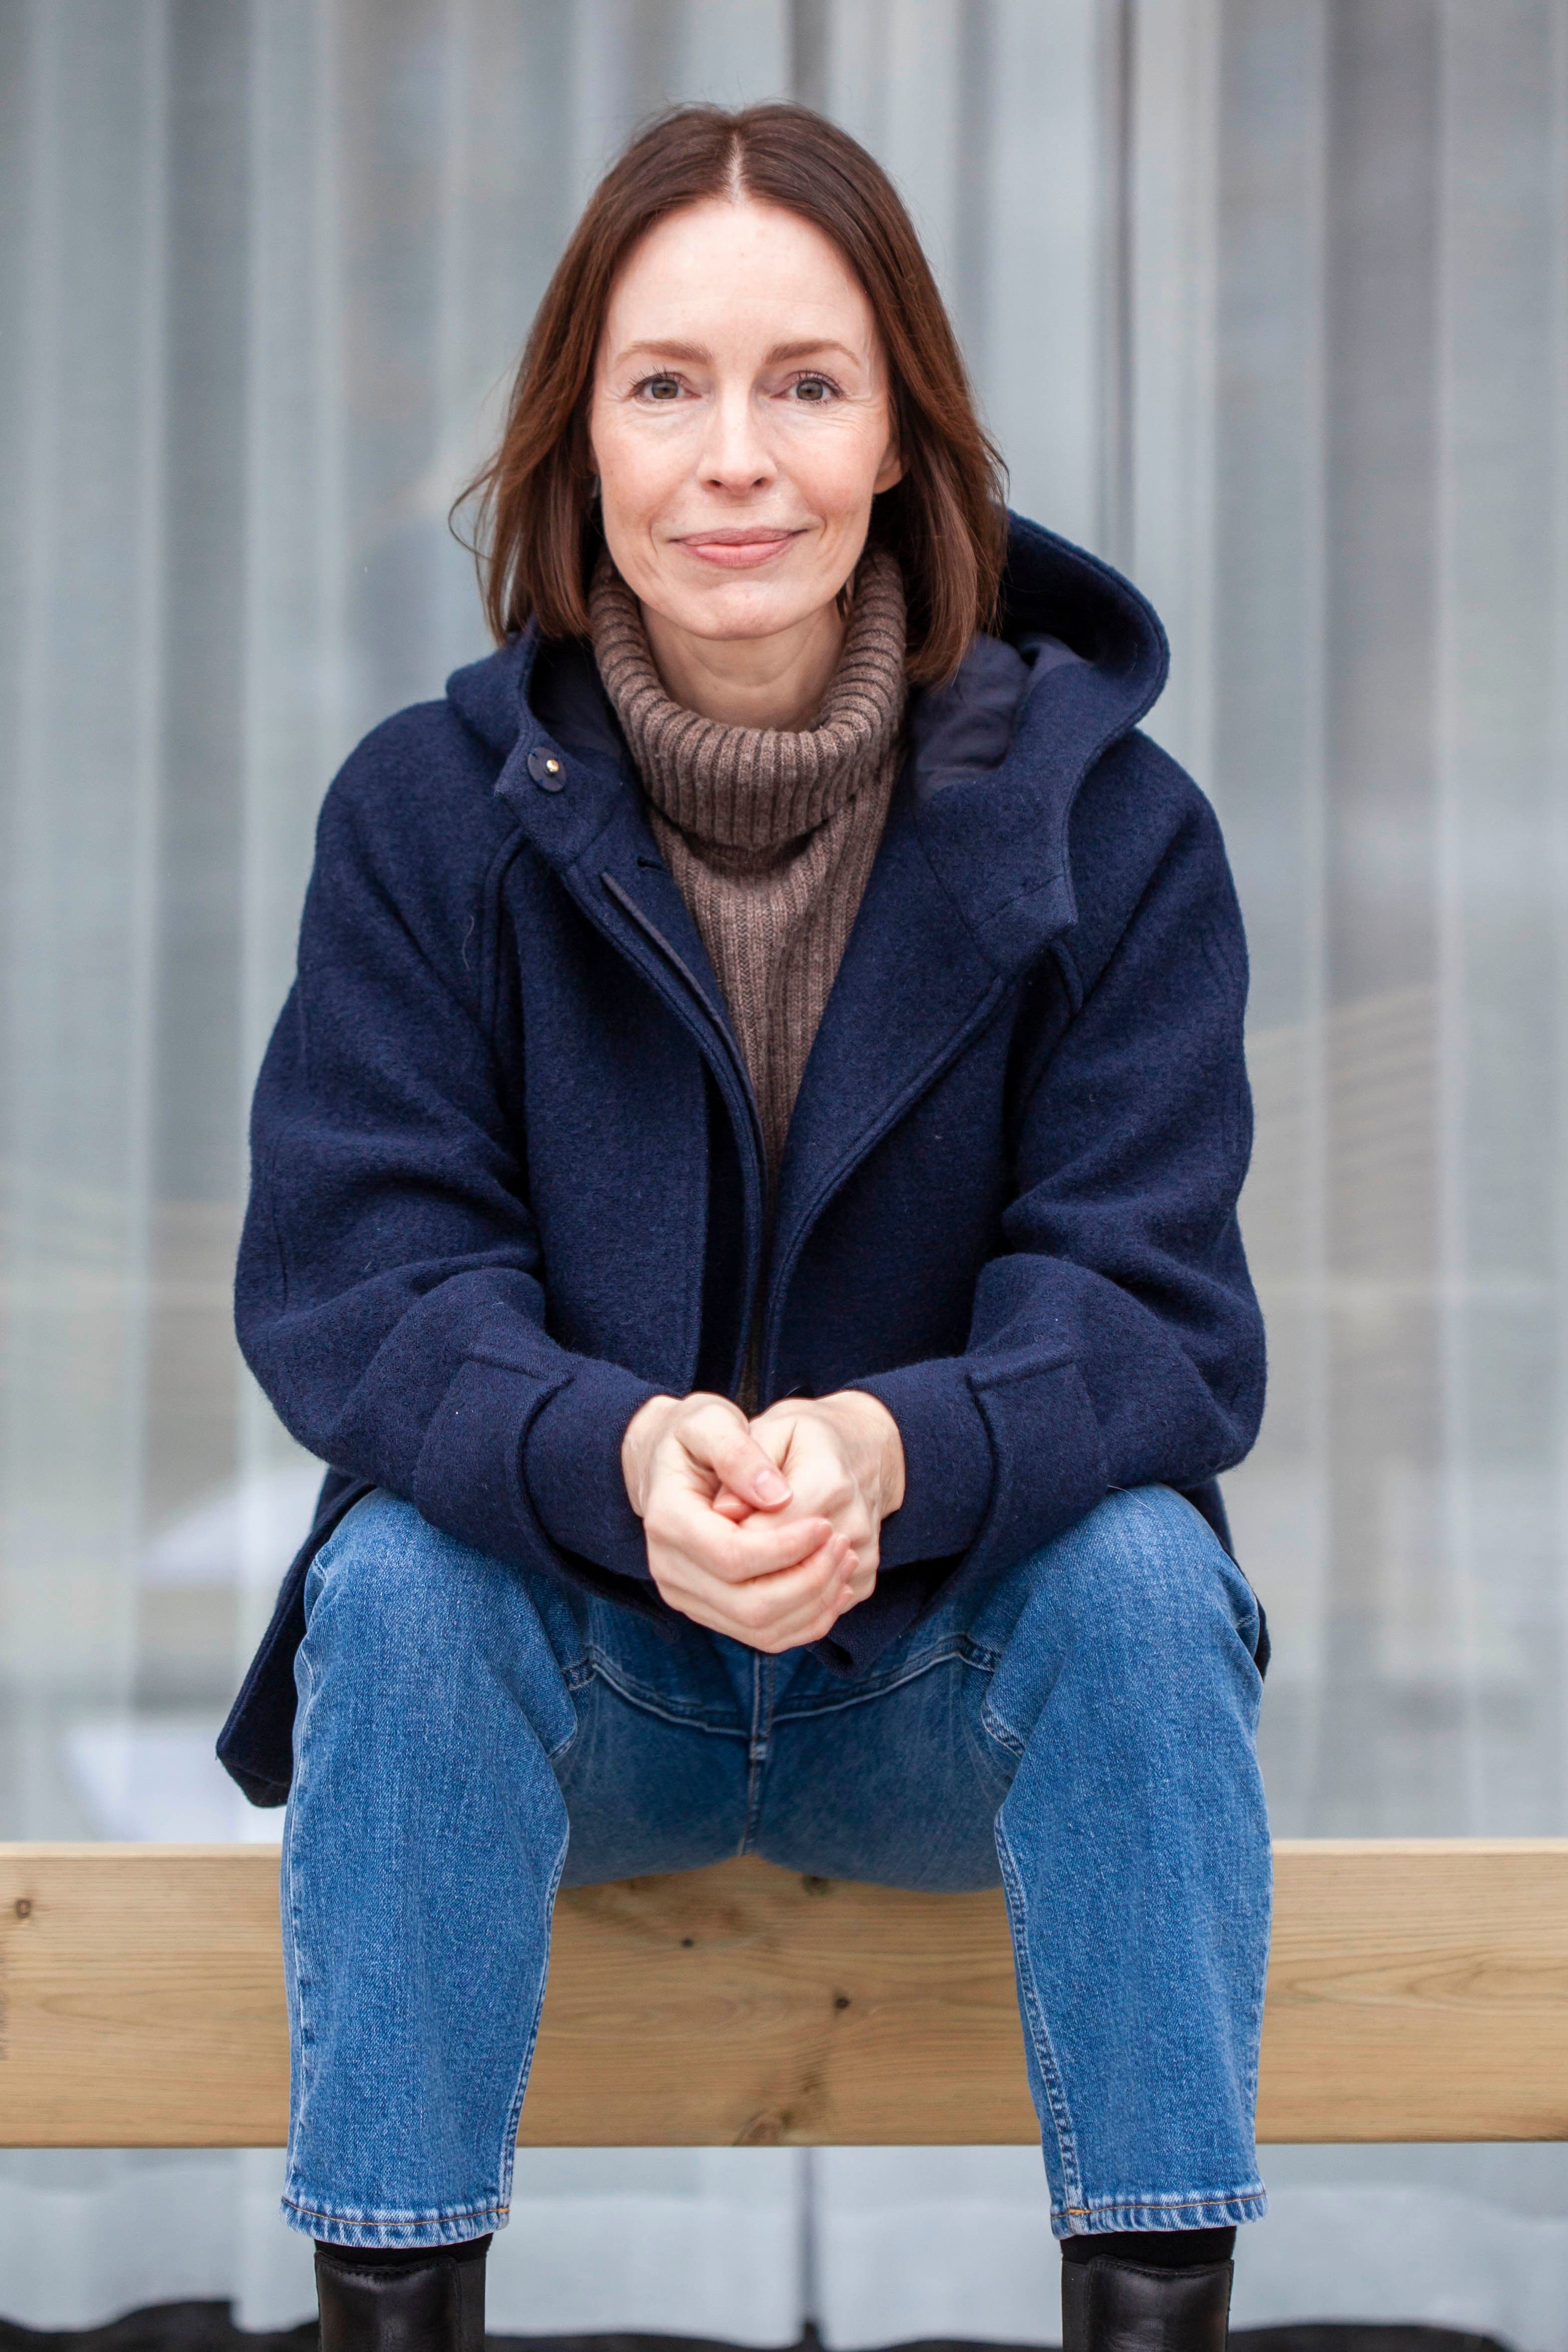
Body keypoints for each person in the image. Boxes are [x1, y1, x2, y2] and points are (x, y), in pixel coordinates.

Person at [219, 101, 1270, 2352]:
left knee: (1148, 1578)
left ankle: (1160, 2309)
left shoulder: (1120, 832)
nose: (735, 458)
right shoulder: (422, 818)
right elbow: (364, 1286)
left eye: (806, 383)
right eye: (665, 385)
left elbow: (1153, 1315)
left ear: (900, 436)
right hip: (576, 1683)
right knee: (388, 1583)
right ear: (579, 439)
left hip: (942, 1684)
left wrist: (890, 1456)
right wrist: (620, 1456)